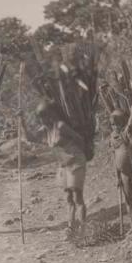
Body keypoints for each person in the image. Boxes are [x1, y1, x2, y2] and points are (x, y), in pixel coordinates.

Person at [35, 100, 87, 240]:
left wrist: (75, 155)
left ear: (50, 115)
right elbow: (30, 137)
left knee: (77, 197)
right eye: (40, 117)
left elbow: (79, 139)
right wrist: (21, 121)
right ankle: (71, 227)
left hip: (75, 161)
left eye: (43, 116)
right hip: (63, 165)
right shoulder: (46, 129)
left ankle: (83, 229)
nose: (42, 120)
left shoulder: (61, 126)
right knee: (68, 198)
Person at [109, 105, 132, 240]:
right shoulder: (113, 137)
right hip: (123, 173)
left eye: (117, 123)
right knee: (128, 200)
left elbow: (131, 124)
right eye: (112, 124)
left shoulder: (126, 132)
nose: (114, 127)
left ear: (122, 122)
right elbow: (114, 156)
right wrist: (117, 176)